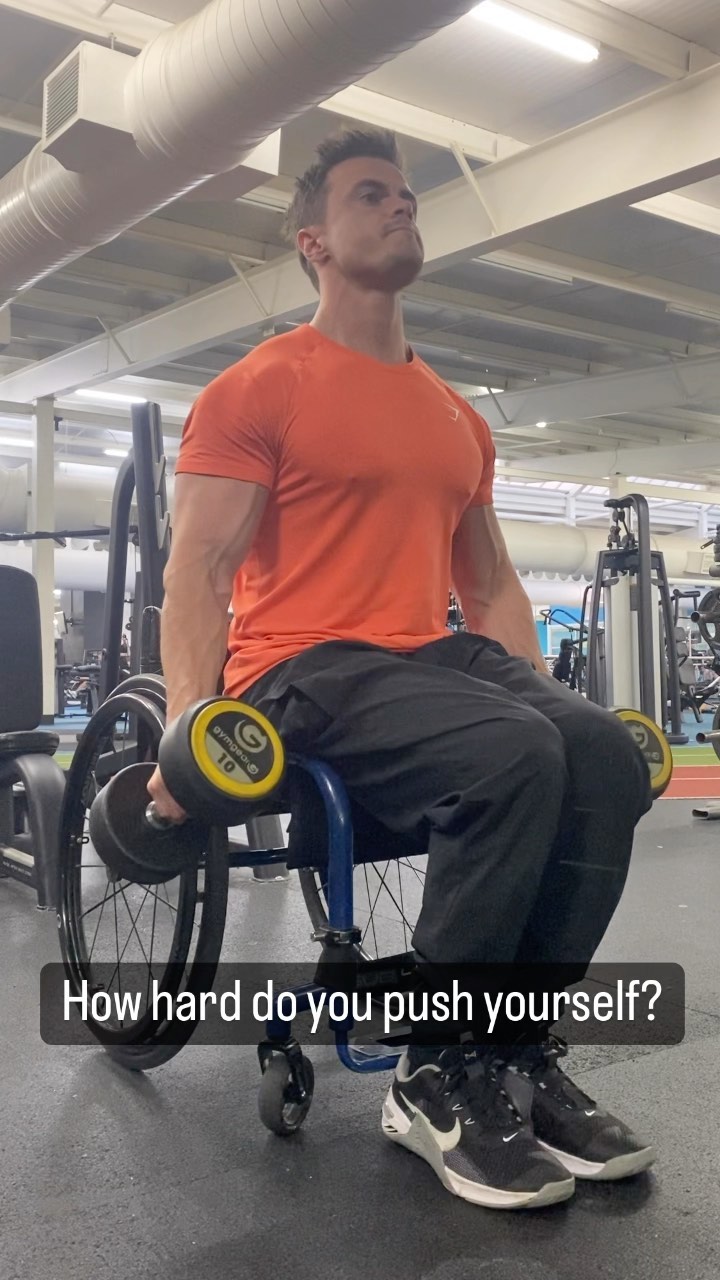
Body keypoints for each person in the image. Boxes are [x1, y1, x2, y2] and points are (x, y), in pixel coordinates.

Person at [149, 129, 654, 1210]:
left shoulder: (455, 415)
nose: (401, 206)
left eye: (407, 195)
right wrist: (188, 731)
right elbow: (200, 570)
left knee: (599, 754)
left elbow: (493, 585)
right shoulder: (259, 386)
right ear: (315, 242)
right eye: (371, 194)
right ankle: (434, 1072)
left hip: (427, 654)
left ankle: (512, 1048)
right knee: (512, 751)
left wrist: (550, 704)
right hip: (300, 663)